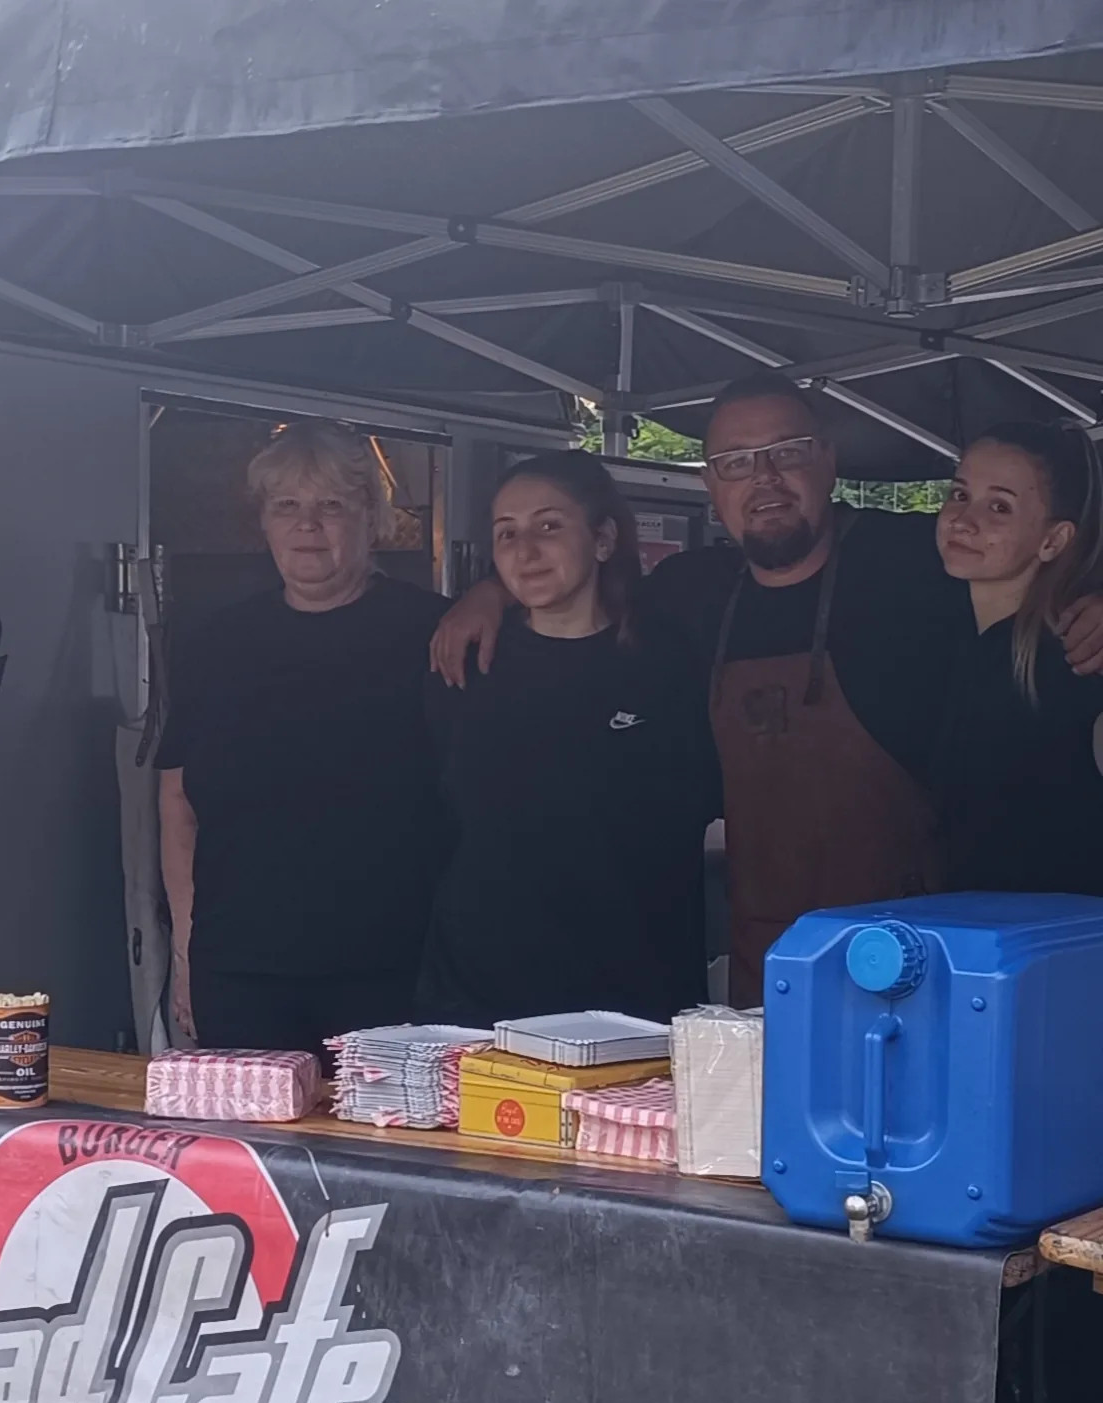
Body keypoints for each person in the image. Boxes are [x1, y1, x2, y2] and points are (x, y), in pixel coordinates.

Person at [431, 374, 1103, 1006]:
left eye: (787, 452)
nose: (765, 478)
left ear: (829, 461)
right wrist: (489, 593)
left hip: (914, 956)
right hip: (770, 968)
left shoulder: (913, 557)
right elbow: (574, 575)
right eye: (736, 462)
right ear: (710, 485)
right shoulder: (687, 593)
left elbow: (1038, 544)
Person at [156, 420, 446, 1055]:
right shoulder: (216, 641)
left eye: (331, 505)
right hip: (240, 970)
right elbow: (178, 799)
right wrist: (185, 946)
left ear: (372, 518)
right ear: (264, 522)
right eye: (286, 505)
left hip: (391, 972)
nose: (307, 524)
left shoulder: (433, 633)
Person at [417, 450, 719, 1028]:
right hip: (477, 996)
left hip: (633, 997)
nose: (525, 550)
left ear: (603, 539)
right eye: (507, 533)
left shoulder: (671, 661)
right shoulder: (462, 664)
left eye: (549, 526)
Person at [931, 421, 1103, 894]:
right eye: (960, 494)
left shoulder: (1079, 660)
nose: (963, 520)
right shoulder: (950, 641)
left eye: (999, 507)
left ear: (1053, 541)